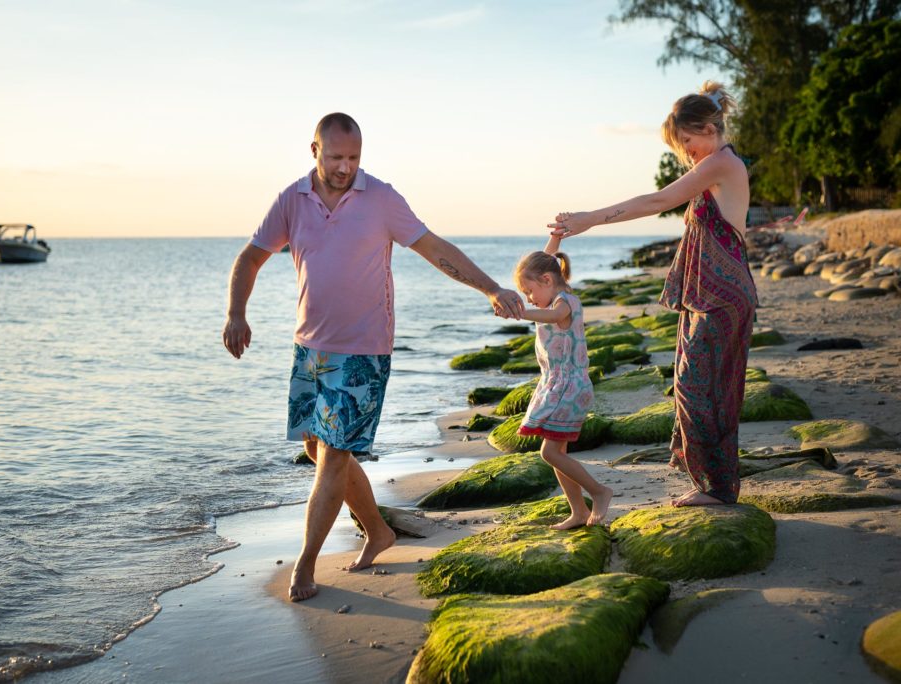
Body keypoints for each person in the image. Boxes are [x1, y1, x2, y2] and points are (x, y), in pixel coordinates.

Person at [222, 112, 525, 602]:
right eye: (337, 156)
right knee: (316, 449)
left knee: (334, 457)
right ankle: (379, 531)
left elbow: (433, 247)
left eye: (354, 157)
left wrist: (490, 287)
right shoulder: (292, 199)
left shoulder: (381, 197)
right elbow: (251, 256)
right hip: (311, 348)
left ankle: (305, 565)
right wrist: (237, 313)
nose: (346, 167)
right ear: (314, 150)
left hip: (364, 349)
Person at [549, 82, 757, 507]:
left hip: (723, 295)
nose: (686, 151)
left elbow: (657, 200)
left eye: (687, 141)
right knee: (698, 385)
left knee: (699, 387)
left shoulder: (722, 163)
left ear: (708, 126)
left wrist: (590, 218)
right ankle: (714, 484)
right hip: (707, 294)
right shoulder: (715, 164)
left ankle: (717, 488)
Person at [513, 235, 613, 527]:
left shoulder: (564, 302)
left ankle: (599, 491)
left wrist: (520, 312)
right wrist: (555, 238)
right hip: (556, 385)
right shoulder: (551, 284)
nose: (528, 299)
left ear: (546, 280)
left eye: (529, 292)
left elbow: (552, 315)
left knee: (550, 452)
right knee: (558, 453)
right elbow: (543, 260)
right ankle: (579, 511)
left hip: (568, 387)